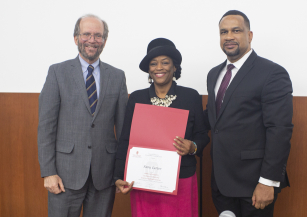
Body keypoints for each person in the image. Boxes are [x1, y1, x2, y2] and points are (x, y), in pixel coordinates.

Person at [37, 14, 128, 217]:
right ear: (76, 38)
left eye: (98, 35)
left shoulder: (117, 76)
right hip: (64, 175)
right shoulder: (57, 72)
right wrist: (49, 172)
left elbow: (123, 131)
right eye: (86, 34)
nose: (92, 40)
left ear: (104, 40)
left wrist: (122, 173)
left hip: (104, 176)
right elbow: (46, 127)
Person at [205, 10, 293, 217]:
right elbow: (215, 117)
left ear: (249, 35)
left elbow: (279, 130)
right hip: (221, 183)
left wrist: (267, 182)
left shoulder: (272, 73)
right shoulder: (214, 74)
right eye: (223, 32)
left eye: (236, 30)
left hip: (254, 185)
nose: (229, 37)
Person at [114, 38, 209, 216]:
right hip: (144, 179)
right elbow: (126, 139)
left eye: (165, 62)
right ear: (149, 70)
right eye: (153, 63)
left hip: (181, 178)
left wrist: (192, 146)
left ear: (174, 67)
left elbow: (203, 135)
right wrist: (118, 176)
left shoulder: (191, 96)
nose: (159, 67)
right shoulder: (136, 98)